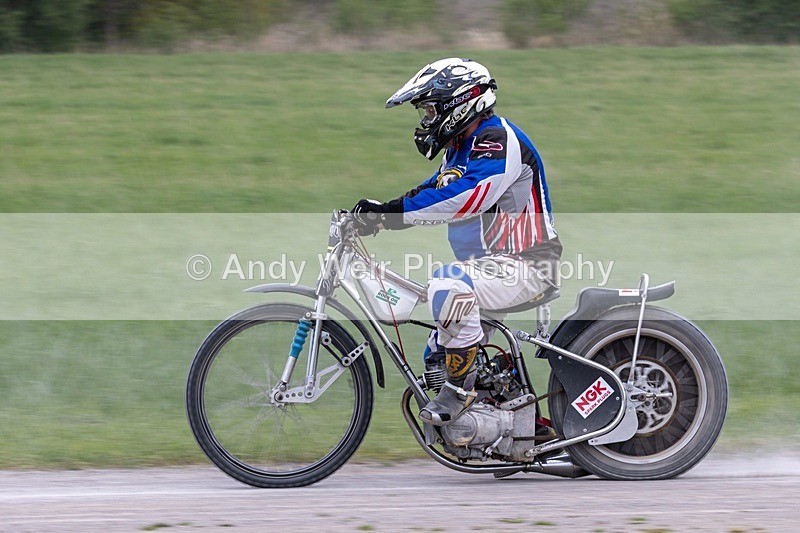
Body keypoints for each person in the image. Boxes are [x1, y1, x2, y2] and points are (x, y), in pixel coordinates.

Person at [353, 58, 562, 426]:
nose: (425, 120)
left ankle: (462, 395)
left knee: (447, 285)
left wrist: (390, 215)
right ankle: (517, 423)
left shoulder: (496, 141)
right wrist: (377, 214)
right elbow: (433, 189)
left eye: (430, 110)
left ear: (459, 104)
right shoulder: (464, 146)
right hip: (493, 268)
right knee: (437, 352)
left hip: (526, 265)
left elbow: (466, 196)